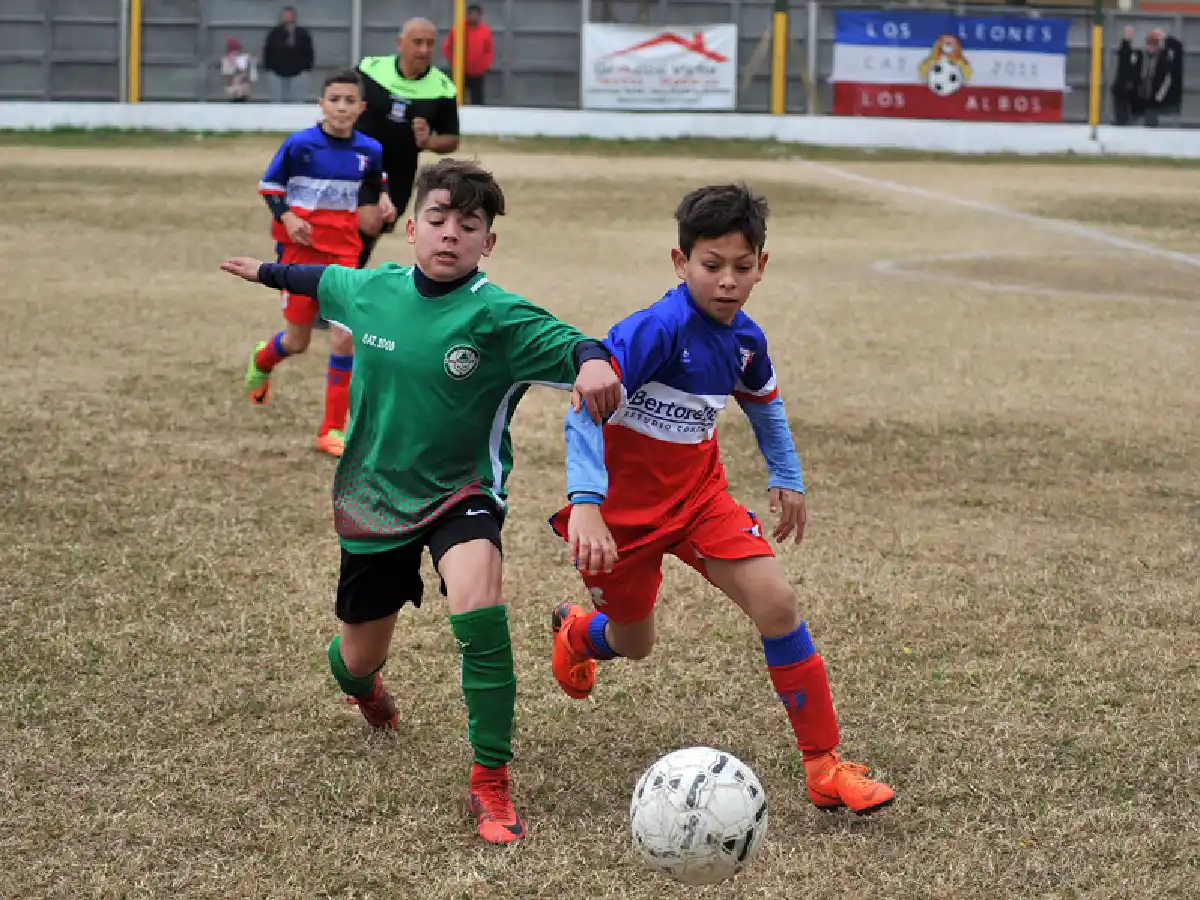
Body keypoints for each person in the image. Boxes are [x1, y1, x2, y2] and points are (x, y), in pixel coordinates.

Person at [220, 158, 623, 844]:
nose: (450, 234)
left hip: (462, 491)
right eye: (437, 219)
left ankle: (490, 777)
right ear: (411, 228)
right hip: (372, 496)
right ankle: (365, 689)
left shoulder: (499, 316)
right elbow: (320, 280)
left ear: (488, 241)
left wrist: (590, 361)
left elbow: (578, 345)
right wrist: (264, 271)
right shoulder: (372, 289)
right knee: (356, 660)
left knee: (479, 603)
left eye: (469, 224)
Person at [547, 183, 897, 818]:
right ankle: (580, 632)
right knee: (634, 642)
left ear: (762, 266)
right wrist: (588, 504)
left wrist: (786, 474)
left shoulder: (746, 341)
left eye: (742, 266)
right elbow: (583, 408)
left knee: (777, 602)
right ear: (680, 262)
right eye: (711, 265)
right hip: (621, 519)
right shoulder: (655, 330)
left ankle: (824, 765)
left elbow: (765, 405)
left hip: (698, 501)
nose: (727, 281)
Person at [247, 70, 395, 458]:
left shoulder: (370, 149)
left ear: (361, 108)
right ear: (322, 104)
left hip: (344, 251)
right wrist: (288, 217)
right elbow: (270, 187)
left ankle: (331, 429)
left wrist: (383, 200)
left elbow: (375, 182)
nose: (342, 107)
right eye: (335, 100)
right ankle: (263, 357)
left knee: (345, 337)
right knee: (297, 342)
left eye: (350, 101)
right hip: (300, 250)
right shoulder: (300, 145)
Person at [354, 17, 460, 268]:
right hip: (357, 164)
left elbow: (452, 139)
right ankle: (339, 280)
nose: (424, 49)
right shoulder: (370, 69)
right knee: (364, 225)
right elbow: (342, 96)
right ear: (400, 43)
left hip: (399, 175)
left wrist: (429, 141)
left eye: (430, 44)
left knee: (372, 230)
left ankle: (343, 277)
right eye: (417, 42)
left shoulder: (442, 88)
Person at [1111, 26, 1184, 127]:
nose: (1151, 47)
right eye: (1149, 44)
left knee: (1151, 117)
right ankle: (1122, 122)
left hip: (1156, 98)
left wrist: (1164, 37)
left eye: (1154, 44)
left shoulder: (1165, 58)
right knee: (1120, 88)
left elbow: (1178, 48)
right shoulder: (1139, 56)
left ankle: (1147, 122)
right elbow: (1124, 61)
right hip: (1138, 95)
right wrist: (1127, 40)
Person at [441, 4, 495, 106]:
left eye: (476, 14)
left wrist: (486, 65)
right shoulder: (458, 29)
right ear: (467, 15)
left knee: (477, 100)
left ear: (480, 16)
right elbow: (447, 47)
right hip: (460, 72)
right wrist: (454, 62)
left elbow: (488, 49)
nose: (473, 17)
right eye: (471, 14)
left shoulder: (485, 30)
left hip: (478, 72)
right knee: (456, 98)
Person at [262, 6, 314, 103]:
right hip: (277, 73)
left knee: (298, 101)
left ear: (294, 17)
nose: (287, 18)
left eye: (289, 16)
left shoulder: (302, 33)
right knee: (276, 101)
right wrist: (269, 68)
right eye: (284, 16)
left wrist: (306, 68)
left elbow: (309, 51)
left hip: (298, 73)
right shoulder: (274, 33)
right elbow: (267, 50)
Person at [220, 38, 257, 102]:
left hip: (242, 86)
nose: (235, 54)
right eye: (233, 52)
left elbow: (247, 75)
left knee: (243, 86)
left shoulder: (242, 58)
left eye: (236, 51)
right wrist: (233, 64)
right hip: (233, 87)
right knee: (236, 88)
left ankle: (242, 95)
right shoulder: (226, 60)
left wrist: (251, 60)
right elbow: (228, 75)